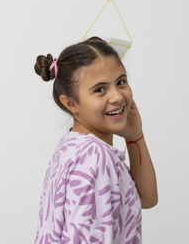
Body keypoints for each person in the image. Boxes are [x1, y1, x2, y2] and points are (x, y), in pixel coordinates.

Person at [33, 36, 158, 244]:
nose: (117, 96)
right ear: (71, 104)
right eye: (100, 89)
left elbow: (146, 198)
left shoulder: (73, 146)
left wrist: (135, 137)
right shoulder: (94, 156)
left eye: (121, 82)